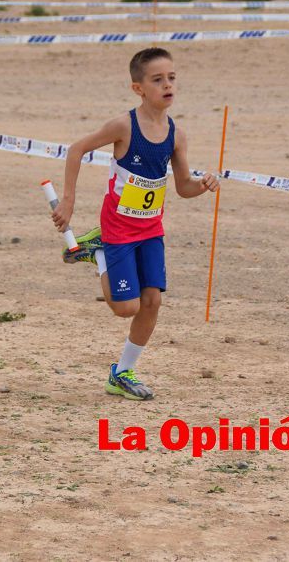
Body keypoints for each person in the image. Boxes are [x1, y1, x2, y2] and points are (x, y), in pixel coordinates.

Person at [51, 47, 219, 401]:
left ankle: (122, 372)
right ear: (138, 88)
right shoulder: (124, 126)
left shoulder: (177, 135)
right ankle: (97, 252)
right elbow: (77, 149)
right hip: (118, 227)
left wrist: (202, 186)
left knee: (152, 301)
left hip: (150, 229)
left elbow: (183, 187)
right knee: (124, 308)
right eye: (158, 80)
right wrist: (68, 200)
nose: (167, 85)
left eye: (171, 78)